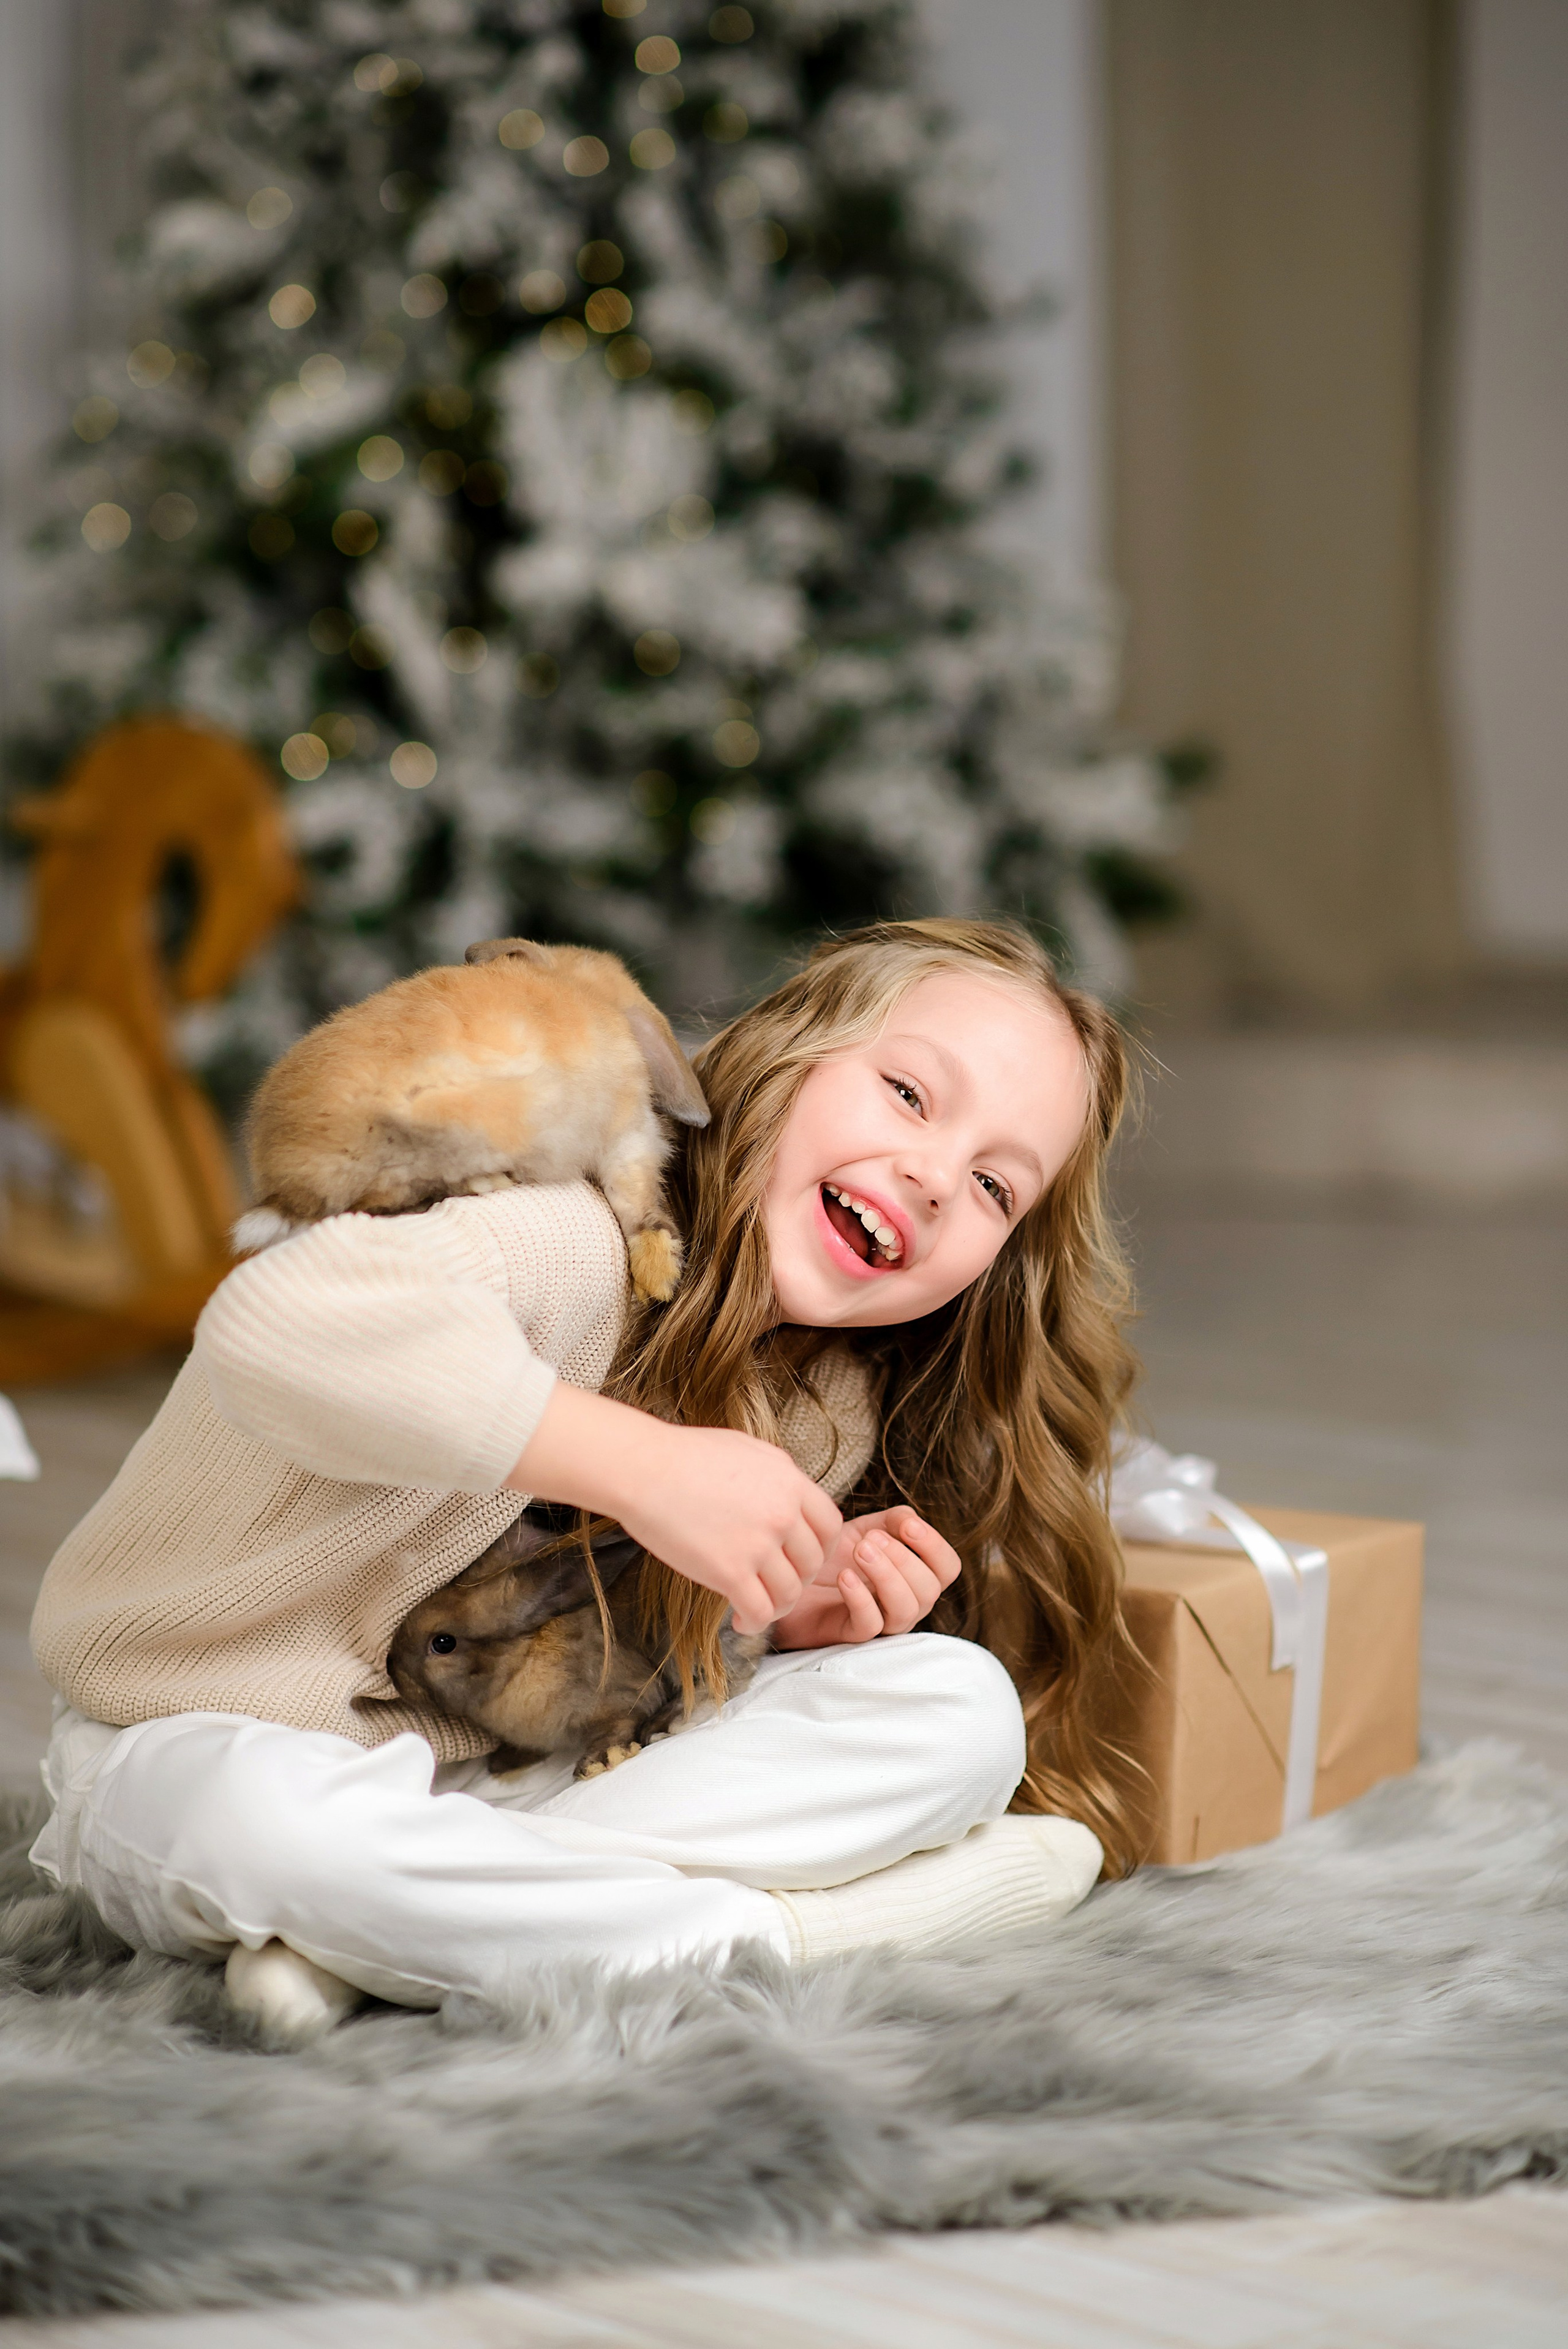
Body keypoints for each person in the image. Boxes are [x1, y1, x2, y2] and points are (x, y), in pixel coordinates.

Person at [28, 918, 1139, 2040]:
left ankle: (379, 1937)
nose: (937, 1176)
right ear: (784, 1057)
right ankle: (778, 1938)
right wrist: (648, 1469)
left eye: (998, 1187)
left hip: (511, 1787)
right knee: (258, 1824)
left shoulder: (825, 1409)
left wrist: (770, 1618)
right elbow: (273, 1319)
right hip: (197, 1738)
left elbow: (587, 1679)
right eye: (909, 1094)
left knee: (959, 1714)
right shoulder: (565, 1235)